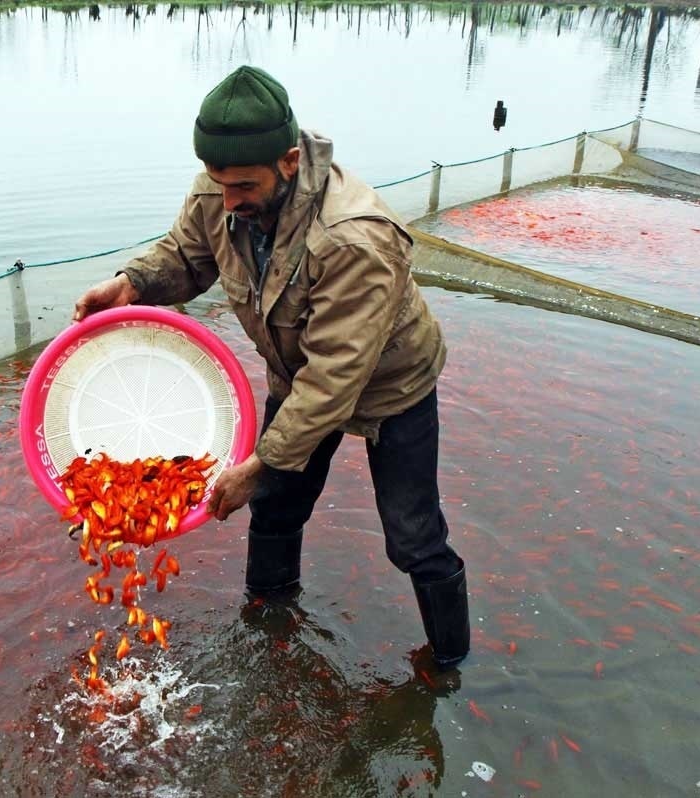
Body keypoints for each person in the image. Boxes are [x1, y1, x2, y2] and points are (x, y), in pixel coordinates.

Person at [72, 65, 469, 670]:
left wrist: (258, 464)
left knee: (412, 537)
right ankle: (268, 615)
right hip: (297, 375)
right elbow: (187, 254)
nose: (227, 200)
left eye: (241, 186)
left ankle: (448, 666)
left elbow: (335, 376)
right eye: (217, 182)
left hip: (390, 383)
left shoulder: (354, 238)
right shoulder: (221, 188)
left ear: (288, 162)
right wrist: (132, 283)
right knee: (277, 506)